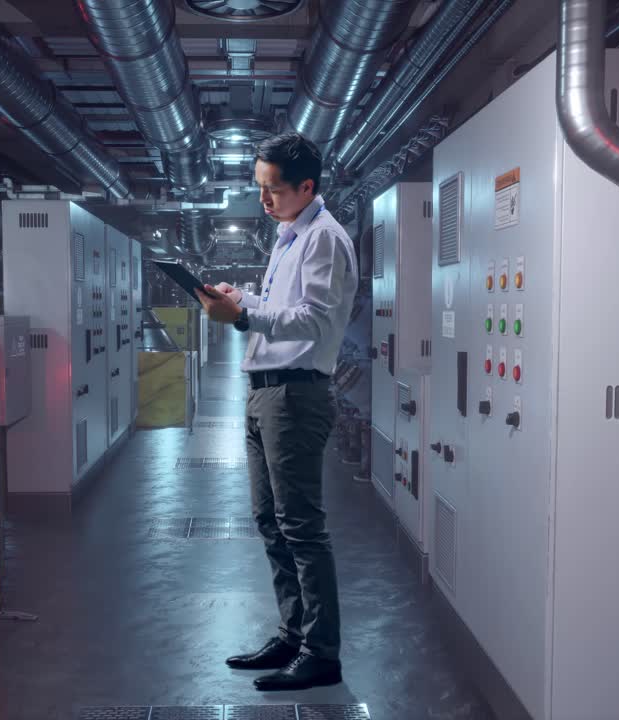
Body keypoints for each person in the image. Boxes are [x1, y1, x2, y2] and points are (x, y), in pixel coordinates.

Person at [195, 132, 358, 691]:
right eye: (260, 189)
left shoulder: (324, 240)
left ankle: (321, 651)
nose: (264, 201)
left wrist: (241, 319)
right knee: (271, 522)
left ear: (306, 187)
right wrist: (242, 302)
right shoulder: (290, 238)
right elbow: (282, 310)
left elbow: (312, 320)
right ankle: (293, 633)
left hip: (295, 394)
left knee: (302, 529)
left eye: (273, 191)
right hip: (266, 391)